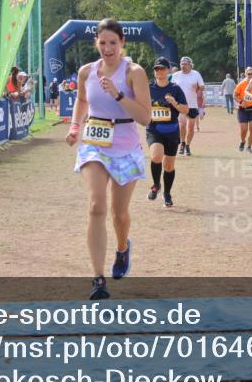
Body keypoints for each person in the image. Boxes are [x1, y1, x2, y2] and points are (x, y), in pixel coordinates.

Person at [65, 18, 151, 300]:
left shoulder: (134, 73)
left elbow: (144, 117)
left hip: (126, 145)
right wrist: (75, 126)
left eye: (113, 42)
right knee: (96, 206)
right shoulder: (86, 71)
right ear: (96, 43)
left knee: (119, 214)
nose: (107, 48)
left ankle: (123, 246)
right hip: (94, 144)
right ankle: (98, 279)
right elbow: (81, 100)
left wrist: (117, 94)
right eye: (102, 43)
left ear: (122, 43)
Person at [145, 57, 189, 208]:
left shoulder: (175, 89)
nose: (159, 71)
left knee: (169, 166)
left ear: (168, 70)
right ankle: (156, 185)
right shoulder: (148, 88)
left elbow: (186, 110)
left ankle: (167, 193)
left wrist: (175, 103)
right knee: (156, 155)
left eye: (162, 69)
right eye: (157, 69)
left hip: (172, 131)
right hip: (154, 129)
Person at [170, 56, 204, 156]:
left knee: (191, 128)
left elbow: (202, 87)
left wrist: (197, 87)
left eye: (185, 64)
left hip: (192, 105)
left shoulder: (196, 74)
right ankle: (182, 144)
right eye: (182, 64)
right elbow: (171, 88)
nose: (183, 66)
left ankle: (188, 145)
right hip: (180, 104)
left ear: (190, 65)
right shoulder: (176, 75)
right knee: (182, 126)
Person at [234, 67, 252, 153]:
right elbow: (235, 95)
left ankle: (249, 147)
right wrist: (240, 102)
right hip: (242, 109)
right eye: (249, 74)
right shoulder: (241, 84)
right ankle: (243, 141)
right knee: (244, 130)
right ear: (245, 74)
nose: (250, 75)